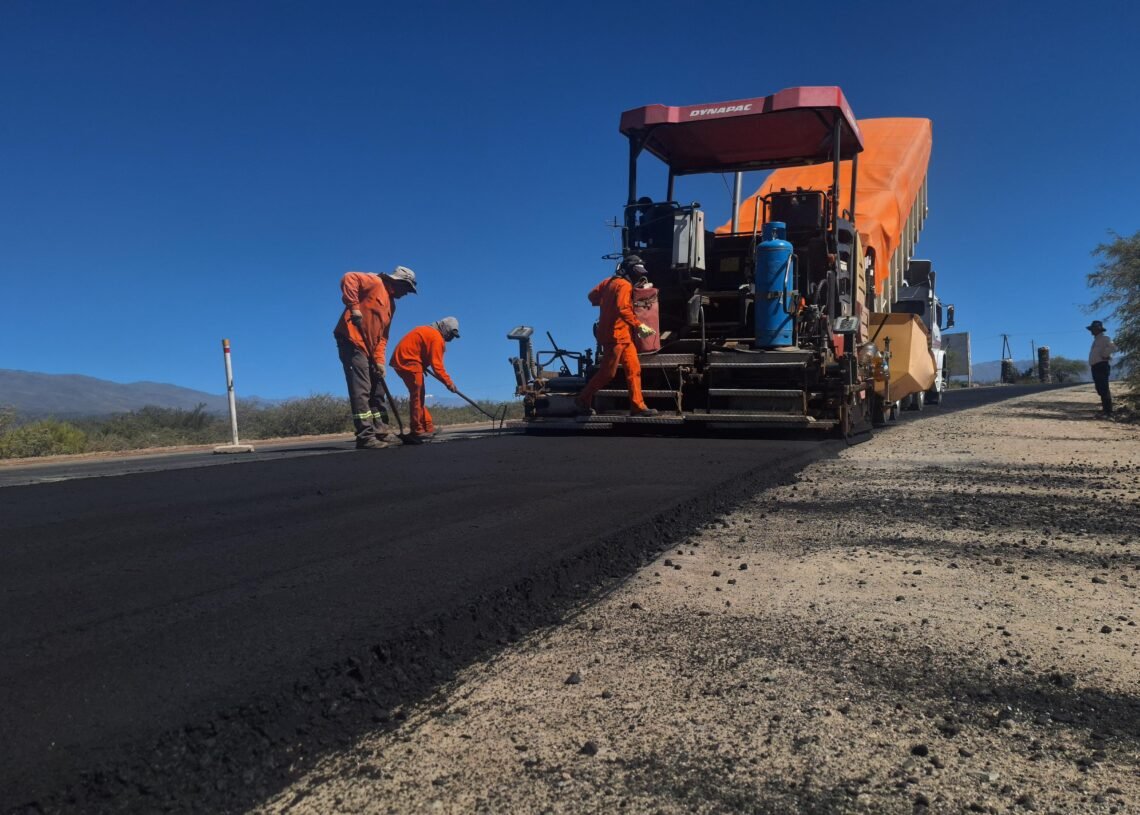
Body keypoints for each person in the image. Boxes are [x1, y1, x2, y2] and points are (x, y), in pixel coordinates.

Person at [333, 266, 418, 449]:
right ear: (399, 282)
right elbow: (349, 277)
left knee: (378, 390)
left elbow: (383, 336)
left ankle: (381, 431)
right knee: (361, 388)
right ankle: (365, 436)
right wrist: (354, 307)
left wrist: (380, 361)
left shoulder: (391, 306)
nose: (406, 294)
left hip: (370, 350)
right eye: (407, 289)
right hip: (352, 341)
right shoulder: (375, 282)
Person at [574, 255, 658, 417]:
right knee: (608, 374)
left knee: (634, 369)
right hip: (615, 336)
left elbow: (592, 296)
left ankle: (638, 407)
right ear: (629, 270)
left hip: (622, 336)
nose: (638, 276)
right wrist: (639, 326)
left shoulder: (608, 282)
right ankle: (583, 399)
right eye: (636, 272)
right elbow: (623, 309)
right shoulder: (624, 285)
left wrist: (606, 303)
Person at [390, 317, 460, 444]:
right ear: (444, 328)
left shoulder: (429, 332)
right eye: (451, 334)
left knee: (419, 395)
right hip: (407, 360)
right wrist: (449, 383)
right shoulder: (436, 337)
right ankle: (417, 430)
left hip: (405, 359)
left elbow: (420, 348)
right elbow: (437, 367)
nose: (451, 338)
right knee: (417, 395)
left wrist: (422, 365)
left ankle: (428, 427)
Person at [1087, 320, 1118, 417]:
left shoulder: (1105, 338)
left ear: (1098, 329)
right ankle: (1105, 410)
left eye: (1093, 329)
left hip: (1101, 365)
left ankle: (1108, 412)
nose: (1092, 331)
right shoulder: (1097, 340)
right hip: (1096, 366)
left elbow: (1113, 347)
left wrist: (1105, 354)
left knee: (1103, 388)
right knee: (1100, 388)